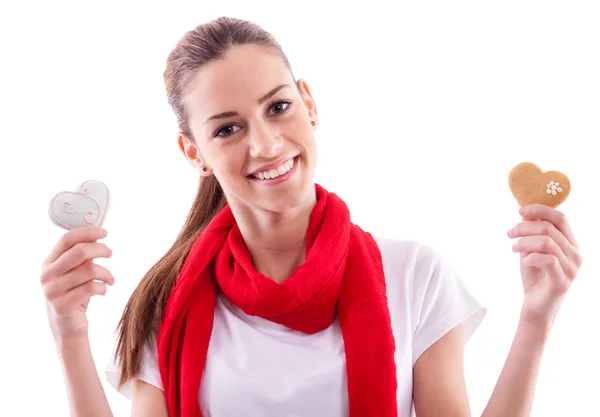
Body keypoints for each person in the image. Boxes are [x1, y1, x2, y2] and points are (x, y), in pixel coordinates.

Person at [40, 16, 583, 417]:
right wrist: (69, 333)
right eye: (228, 129)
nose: (267, 144)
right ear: (194, 153)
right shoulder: (169, 306)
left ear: (308, 103)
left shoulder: (414, 275)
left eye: (278, 107)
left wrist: (537, 318)